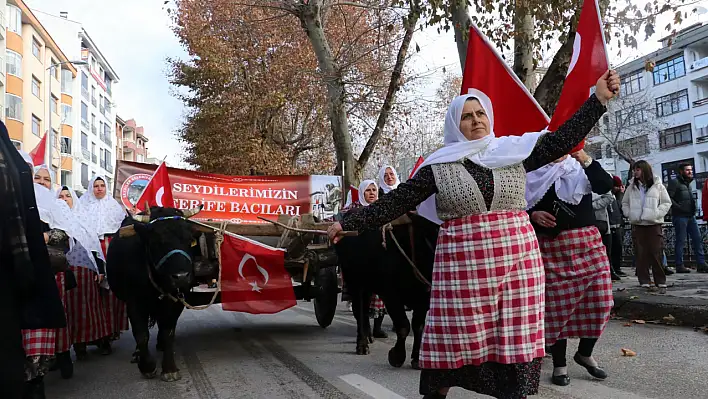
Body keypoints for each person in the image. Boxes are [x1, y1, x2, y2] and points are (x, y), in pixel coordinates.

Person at [328, 71, 620, 399]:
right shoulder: (439, 166)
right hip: (462, 271)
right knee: (453, 340)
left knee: (514, 339)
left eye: (480, 113)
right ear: (455, 124)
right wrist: (349, 223)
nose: (476, 120)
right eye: (467, 116)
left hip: (517, 268)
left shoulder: (514, 152)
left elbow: (564, 138)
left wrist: (598, 100)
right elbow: (397, 201)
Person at [526, 151, 614, 387]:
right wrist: (532, 214)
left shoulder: (580, 167)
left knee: (602, 301)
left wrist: (583, 157)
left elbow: (606, 185)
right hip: (552, 247)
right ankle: (559, 364)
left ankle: (584, 352)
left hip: (588, 244)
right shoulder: (531, 172)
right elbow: (514, 206)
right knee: (558, 309)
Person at [1, 141, 65, 399]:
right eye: (34, 175)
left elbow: (67, 235)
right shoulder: (13, 199)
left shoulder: (54, 205)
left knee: (35, 339)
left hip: (37, 277)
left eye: (42, 177)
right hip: (15, 273)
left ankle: (38, 377)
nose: (38, 181)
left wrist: (49, 237)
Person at [56, 185, 111, 361]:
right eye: (61, 196)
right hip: (64, 271)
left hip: (86, 271)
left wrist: (100, 270)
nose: (64, 199)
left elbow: (94, 246)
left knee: (91, 308)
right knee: (70, 311)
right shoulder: (53, 220)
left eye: (68, 196)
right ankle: (79, 346)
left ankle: (102, 340)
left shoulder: (83, 219)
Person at [76, 175, 128, 353]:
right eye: (96, 186)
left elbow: (121, 230)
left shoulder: (114, 207)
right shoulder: (82, 206)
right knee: (91, 297)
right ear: (91, 188)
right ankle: (87, 337)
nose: (99, 189)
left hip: (110, 251)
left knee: (110, 297)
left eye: (102, 186)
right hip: (89, 254)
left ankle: (107, 336)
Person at [344, 179, 389, 339]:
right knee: (360, 295)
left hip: (380, 262)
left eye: (374, 190)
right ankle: (363, 329)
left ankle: (376, 327)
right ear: (362, 193)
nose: (371, 193)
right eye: (368, 191)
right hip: (358, 262)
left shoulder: (386, 212)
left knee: (381, 295)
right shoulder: (352, 213)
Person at [622, 161, 672, 291]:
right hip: (638, 224)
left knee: (656, 252)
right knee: (640, 253)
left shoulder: (657, 185)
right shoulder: (631, 186)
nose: (635, 172)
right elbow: (625, 202)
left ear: (644, 170)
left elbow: (666, 202)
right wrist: (629, 214)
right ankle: (644, 280)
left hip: (653, 223)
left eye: (638, 169)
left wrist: (656, 214)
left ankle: (660, 280)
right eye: (634, 170)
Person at [668, 163, 707, 273]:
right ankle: (679, 265)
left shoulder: (688, 184)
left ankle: (701, 263)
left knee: (697, 239)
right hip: (680, 216)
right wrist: (679, 208)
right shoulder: (675, 182)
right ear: (681, 171)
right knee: (681, 241)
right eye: (687, 170)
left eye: (691, 170)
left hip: (690, 215)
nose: (690, 172)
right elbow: (668, 198)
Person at [593, 190, 620, 281]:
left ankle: (608, 271)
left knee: (606, 249)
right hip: (585, 221)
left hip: (601, 221)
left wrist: (591, 206)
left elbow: (609, 197)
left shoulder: (599, 181)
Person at [608, 176, 627, 277]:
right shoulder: (608, 195)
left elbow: (621, 207)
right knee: (611, 249)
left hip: (618, 224)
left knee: (618, 248)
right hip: (610, 224)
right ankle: (612, 268)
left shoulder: (617, 196)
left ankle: (617, 267)